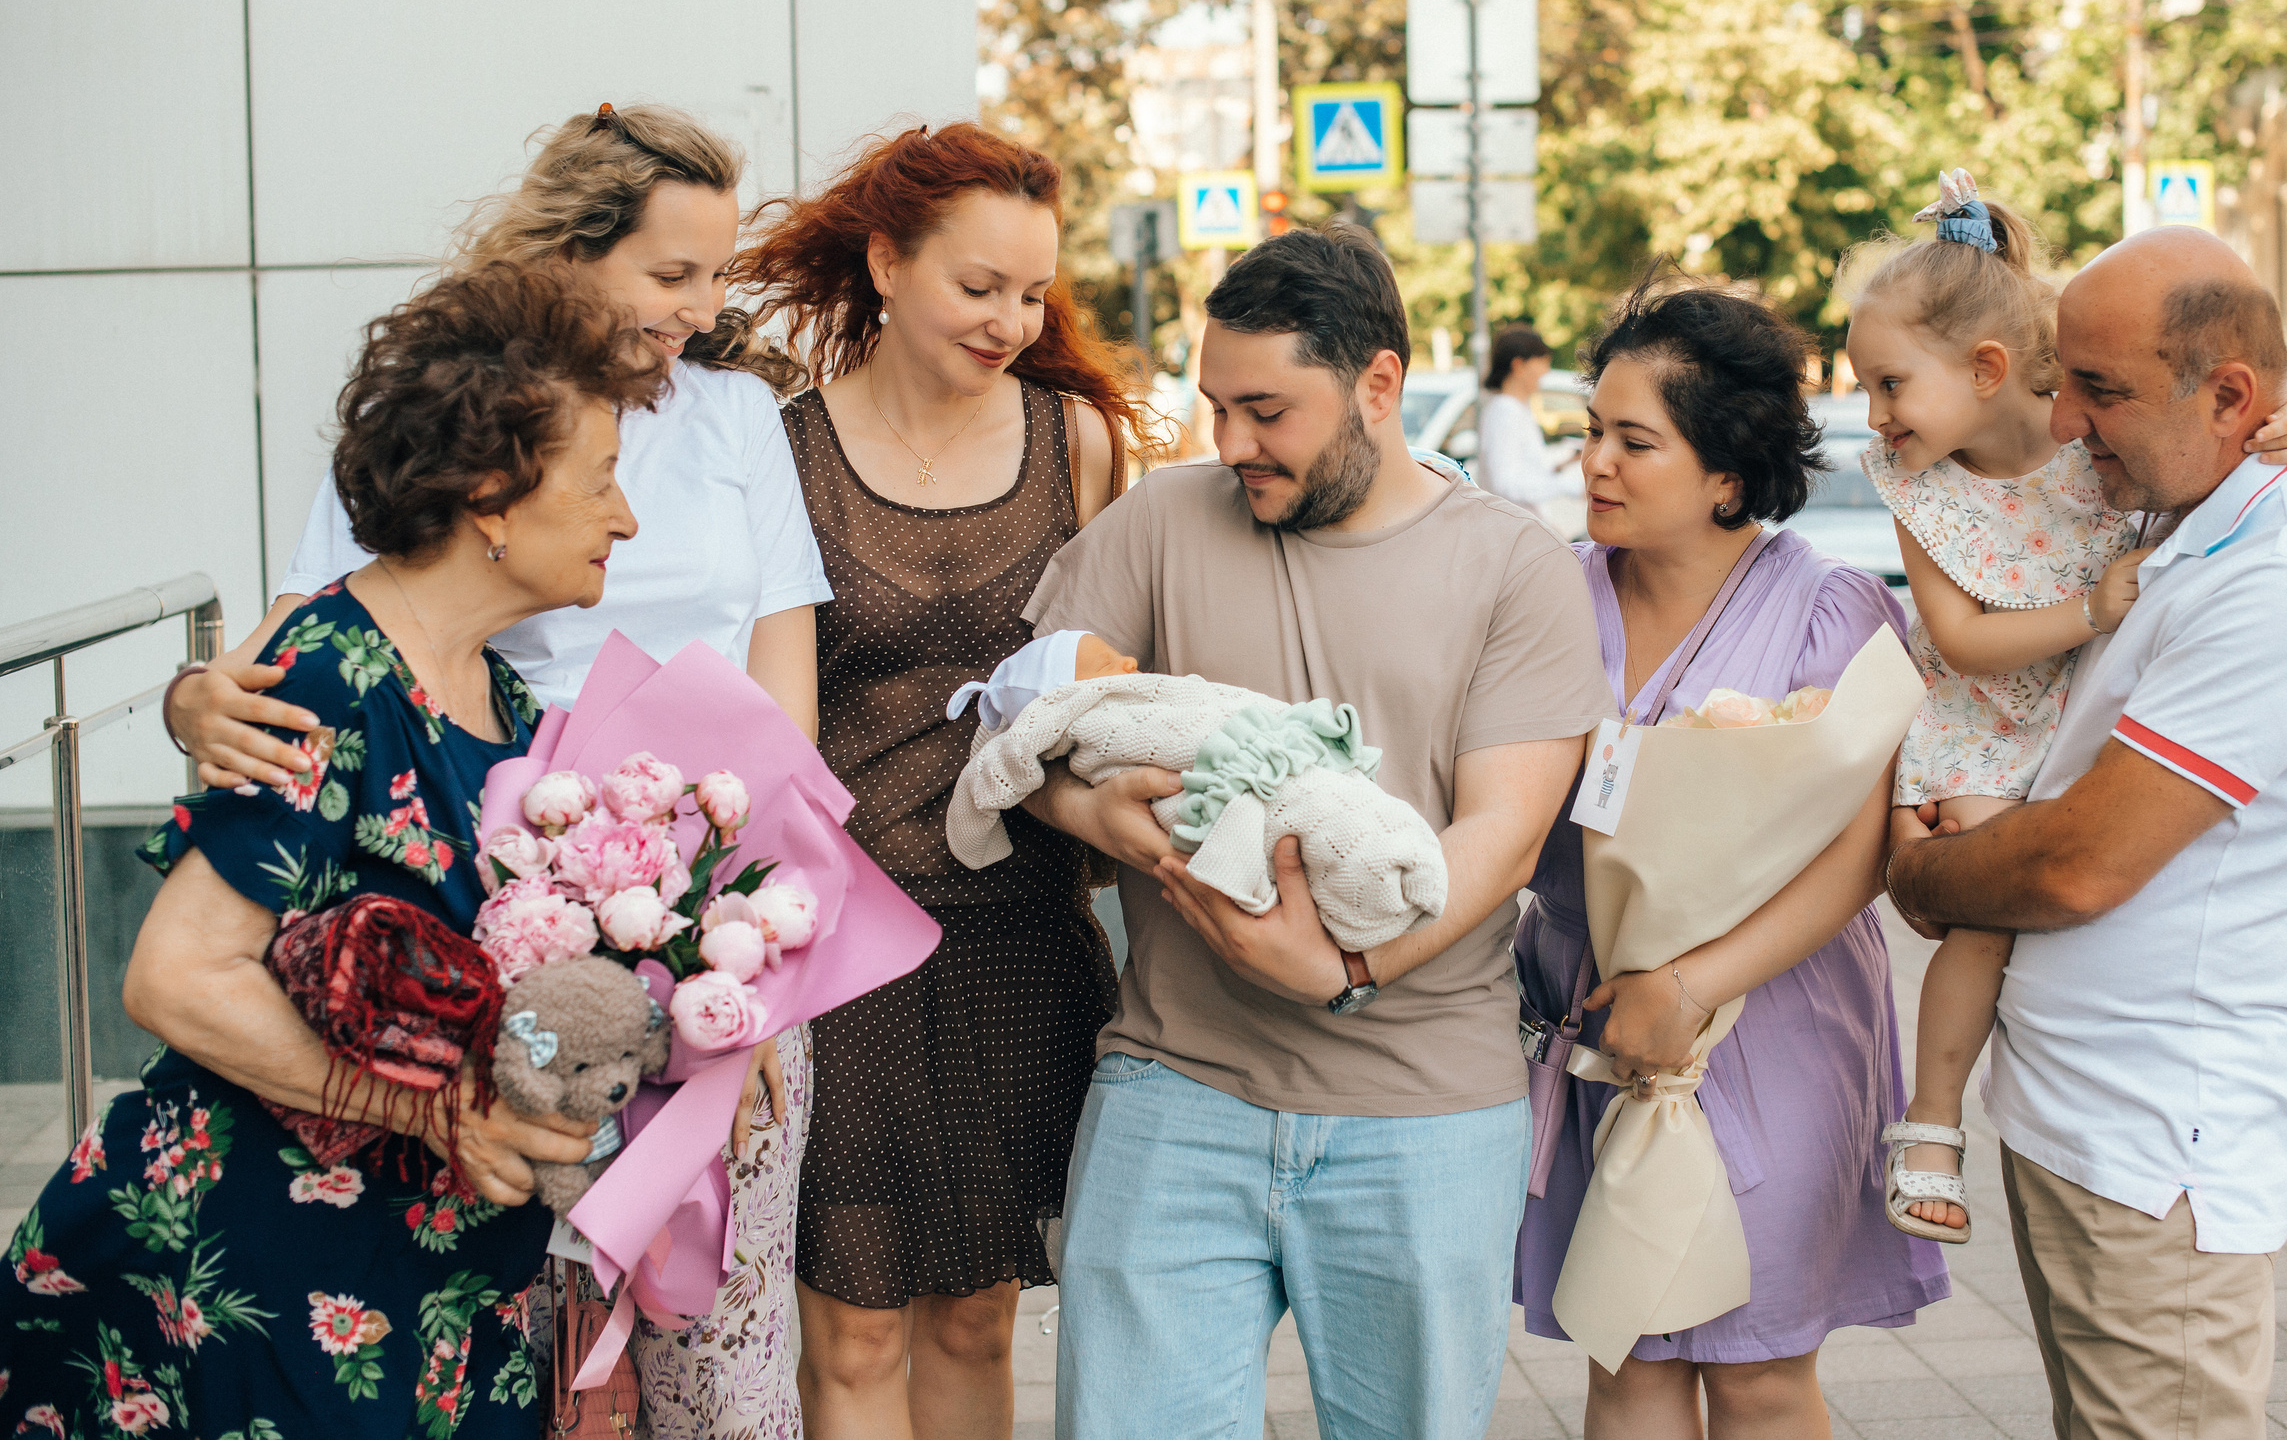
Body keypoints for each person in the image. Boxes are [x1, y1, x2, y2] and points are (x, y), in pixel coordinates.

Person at [162, 102, 830, 1438]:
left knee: (714, 1344)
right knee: (517, 1326)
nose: (702, 306)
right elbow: (311, 639)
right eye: (670, 272)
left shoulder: (735, 421)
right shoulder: (478, 425)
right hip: (492, 924)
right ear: (571, 256)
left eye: (717, 273)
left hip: (712, 930)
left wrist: (744, 959)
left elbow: (783, 724)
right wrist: (196, 701)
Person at [0, 263, 656, 1439]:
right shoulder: (327, 674)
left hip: (438, 1278)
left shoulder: (500, 695)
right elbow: (175, 976)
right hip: (267, 1269)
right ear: (494, 497)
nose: (626, 516)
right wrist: (441, 1113)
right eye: (602, 480)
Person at [1015, 223, 1610, 1440]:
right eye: (1215, 406)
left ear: (1377, 385)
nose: (1230, 442)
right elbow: (1028, 730)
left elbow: (1501, 829)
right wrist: (1088, 812)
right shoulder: (1162, 519)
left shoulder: (1515, 564)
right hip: (1175, 1091)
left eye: (1265, 410)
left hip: (1426, 1115)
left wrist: (1346, 968)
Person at [1882, 227, 2287, 1440]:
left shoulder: (2285, 575)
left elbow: (2081, 861)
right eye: (2063, 379)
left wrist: (1922, 868)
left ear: (2229, 396)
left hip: (2158, 1135)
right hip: (2094, 1114)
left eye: (2102, 389)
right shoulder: (2200, 506)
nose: (2067, 420)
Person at [730, 122, 1157, 1440]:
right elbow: (771, 732)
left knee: (977, 1315)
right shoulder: (781, 454)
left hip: (1021, 937)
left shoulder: (1075, 442)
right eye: (981, 288)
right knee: (852, 1328)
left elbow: (1108, 685)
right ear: (888, 262)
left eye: (1033, 293)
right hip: (844, 950)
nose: (1013, 322)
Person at [1842, 171, 2287, 1242]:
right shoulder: (1919, 488)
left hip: (2083, 710)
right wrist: (2088, 605)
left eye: (1888, 384)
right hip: (1981, 717)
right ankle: (1931, 1117)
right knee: (1976, 914)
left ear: (1985, 369)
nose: (1874, 415)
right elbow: (1966, 639)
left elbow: (2253, 404)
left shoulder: (2102, 438)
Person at [1511, 277, 1950, 1439]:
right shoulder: (1546, 596)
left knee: (1759, 1366)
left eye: (1632, 440)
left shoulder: (1830, 609)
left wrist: (1690, 985)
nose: (1595, 461)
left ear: (1725, 470)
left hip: (1772, 1014)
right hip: (1596, 1007)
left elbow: (1859, 849)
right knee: (1632, 1354)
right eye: (1589, 430)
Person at [1477, 322, 1583, 520]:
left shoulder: (1516, 409)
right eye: (1542, 362)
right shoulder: (1505, 411)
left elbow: (1526, 468)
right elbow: (1506, 484)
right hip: (1511, 534)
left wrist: (1565, 460)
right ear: (1518, 365)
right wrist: (1570, 486)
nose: (1546, 371)